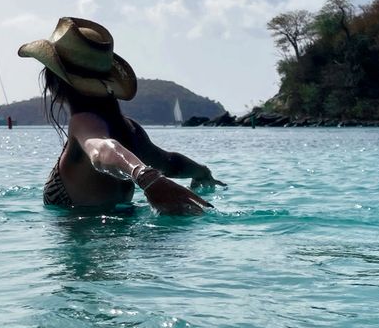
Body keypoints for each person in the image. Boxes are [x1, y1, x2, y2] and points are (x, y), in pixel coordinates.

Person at [18, 17, 225, 215]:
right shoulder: (130, 130)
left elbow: (101, 148)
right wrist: (201, 172)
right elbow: (169, 163)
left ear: (55, 83)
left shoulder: (82, 122)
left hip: (91, 244)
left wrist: (146, 178)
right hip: (125, 237)